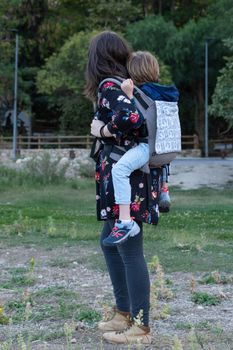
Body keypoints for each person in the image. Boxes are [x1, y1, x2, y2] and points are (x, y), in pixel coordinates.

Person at [85, 31, 161, 345]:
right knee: (108, 242)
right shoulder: (121, 84)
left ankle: (140, 326)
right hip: (125, 178)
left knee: (130, 251)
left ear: (97, 59)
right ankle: (123, 312)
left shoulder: (108, 86)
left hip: (128, 181)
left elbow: (129, 119)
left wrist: (102, 129)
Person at [103, 51, 178, 246]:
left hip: (147, 147)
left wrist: (128, 96)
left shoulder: (141, 93)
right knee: (152, 164)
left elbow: (135, 121)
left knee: (119, 170)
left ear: (133, 71)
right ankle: (164, 189)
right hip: (165, 149)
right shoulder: (167, 93)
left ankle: (126, 221)